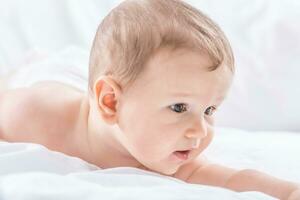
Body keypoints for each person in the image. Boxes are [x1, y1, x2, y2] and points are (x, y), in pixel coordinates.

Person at [0, 0, 299, 199]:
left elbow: (233, 178)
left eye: (209, 109)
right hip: (55, 76)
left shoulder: (168, 153)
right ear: (111, 103)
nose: (201, 131)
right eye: (179, 107)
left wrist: (287, 192)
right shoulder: (36, 115)